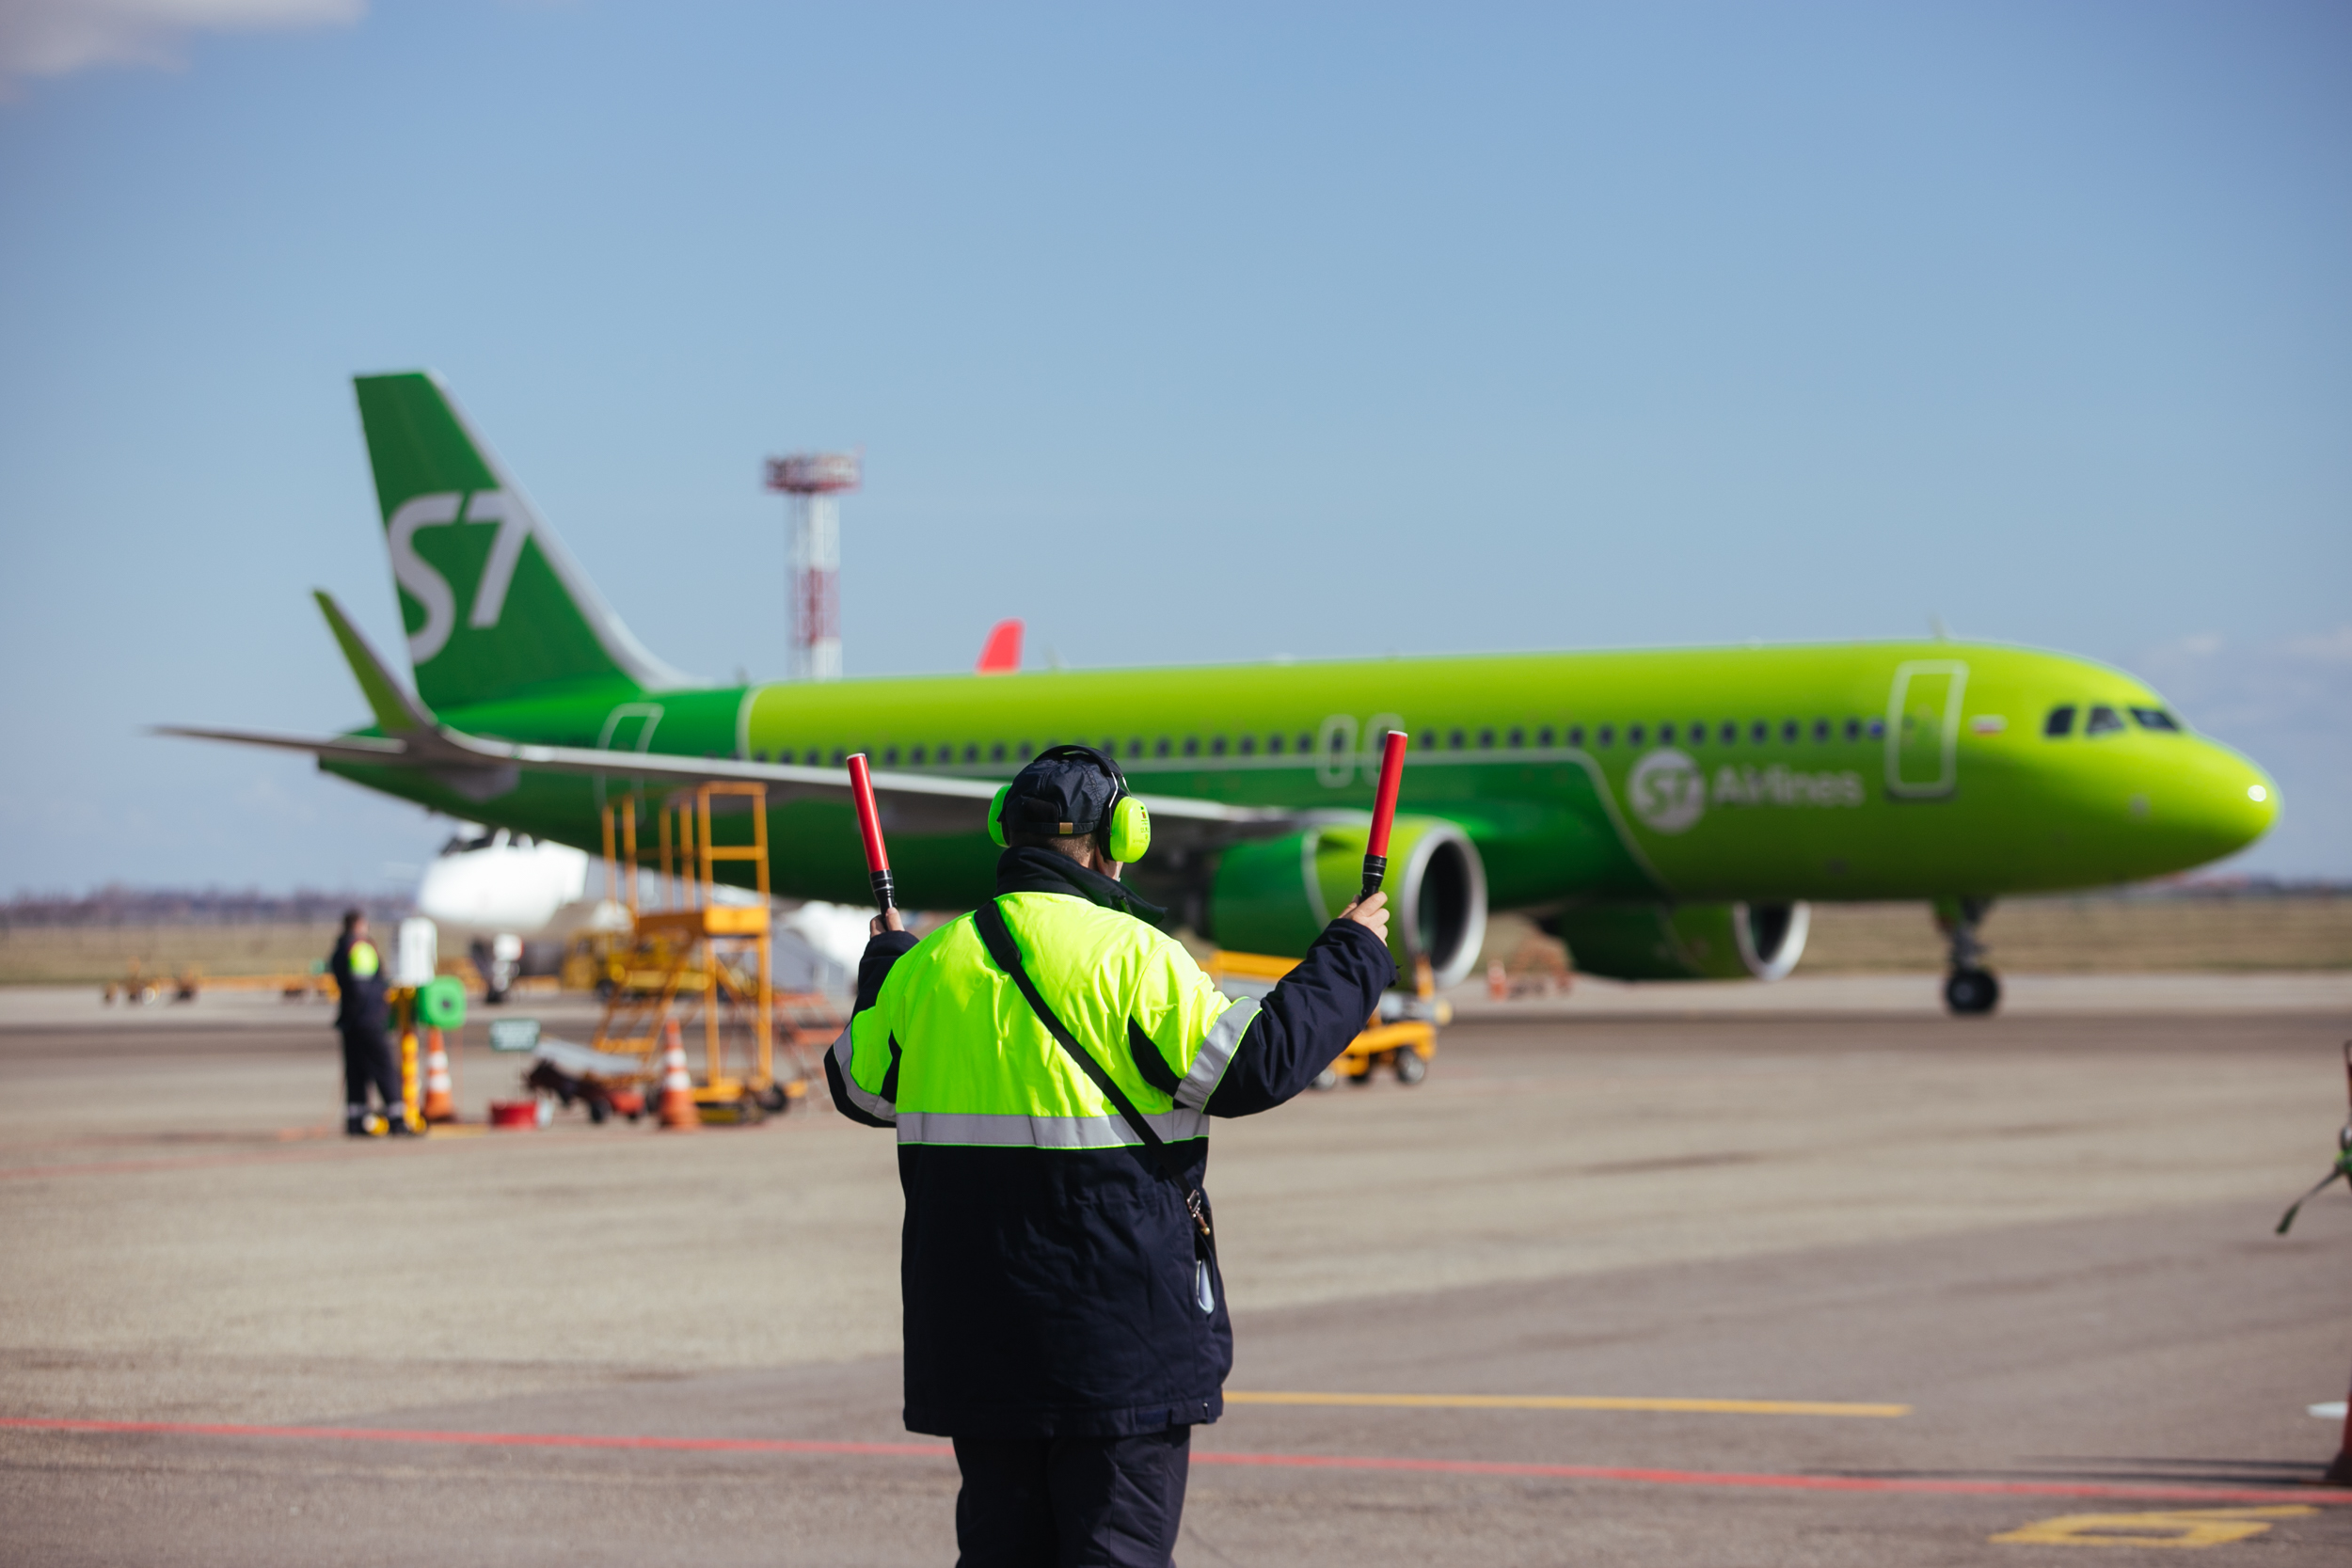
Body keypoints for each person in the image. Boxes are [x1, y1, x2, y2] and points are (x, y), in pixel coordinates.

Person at [827, 745, 1395, 1566]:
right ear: (1119, 838)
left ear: (1005, 832)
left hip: (979, 1347)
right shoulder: (1135, 956)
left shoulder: (933, 967)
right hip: (1117, 1350)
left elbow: (858, 1087)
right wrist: (1350, 954)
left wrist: (885, 976)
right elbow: (1255, 1064)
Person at [328, 910, 408, 1136]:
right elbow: (361, 989)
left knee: (356, 1071)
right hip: (367, 1019)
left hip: (349, 1021)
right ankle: (397, 1119)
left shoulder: (340, 948)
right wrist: (377, 1013)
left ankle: (356, 1121)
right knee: (384, 1068)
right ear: (360, 924)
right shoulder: (361, 948)